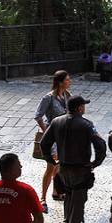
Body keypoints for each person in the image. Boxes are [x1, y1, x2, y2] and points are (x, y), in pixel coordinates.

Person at [40, 96, 106, 223]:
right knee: (78, 201)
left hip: (62, 169)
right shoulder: (87, 125)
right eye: (84, 106)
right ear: (79, 108)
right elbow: (100, 145)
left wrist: (50, 160)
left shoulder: (57, 122)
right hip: (80, 171)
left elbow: (44, 143)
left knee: (68, 196)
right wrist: (95, 163)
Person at [34, 70, 71, 211]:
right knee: (51, 166)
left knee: (59, 165)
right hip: (52, 135)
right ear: (60, 82)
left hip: (64, 135)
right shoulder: (48, 98)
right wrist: (46, 132)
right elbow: (38, 116)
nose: (69, 82)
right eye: (67, 80)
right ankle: (42, 197)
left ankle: (56, 191)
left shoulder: (68, 96)